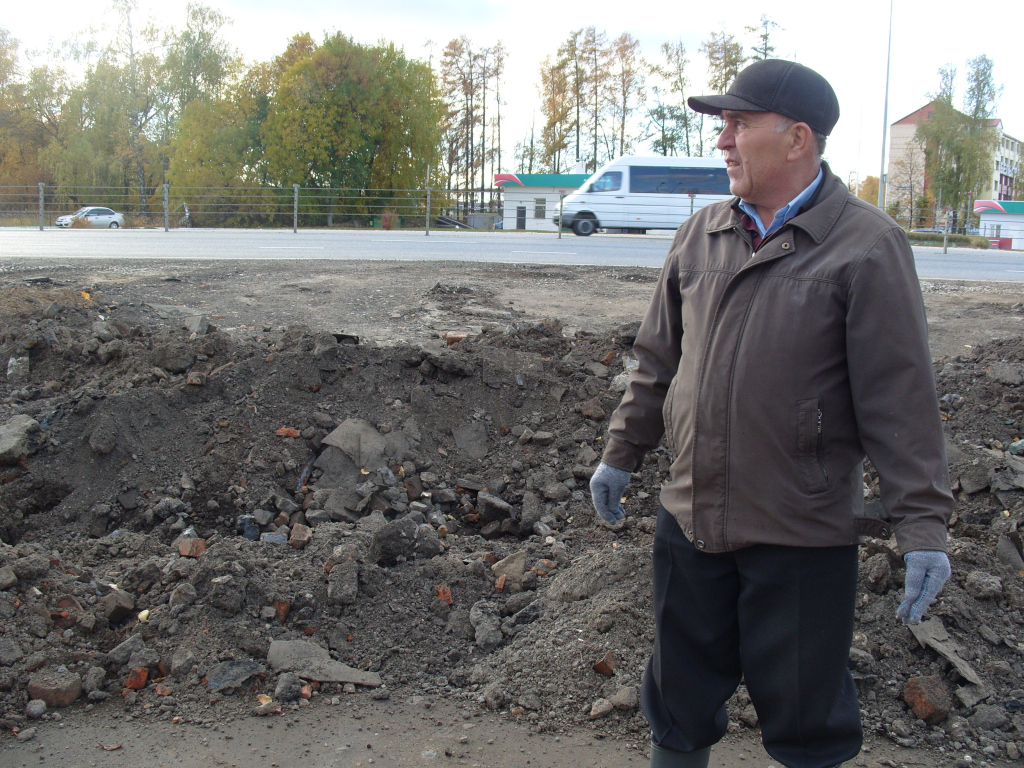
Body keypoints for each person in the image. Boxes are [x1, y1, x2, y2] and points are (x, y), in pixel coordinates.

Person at [589, 59, 953, 768]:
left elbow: (898, 399)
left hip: (800, 534)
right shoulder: (701, 235)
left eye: (739, 124)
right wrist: (620, 453)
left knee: (806, 717)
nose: (722, 142)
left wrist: (923, 527)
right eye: (722, 126)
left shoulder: (866, 246)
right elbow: (657, 361)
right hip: (691, 518)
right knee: (678, 701)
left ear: (797, 140)